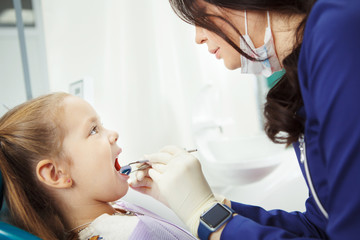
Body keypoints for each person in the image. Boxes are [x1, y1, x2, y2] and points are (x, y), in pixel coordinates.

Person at [129, 0, 360, 239]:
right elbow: (320, 225)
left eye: (200, 15)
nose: (197, 38)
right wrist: (209, 204)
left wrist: (206, 216)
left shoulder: (338, 32)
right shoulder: (308, 67)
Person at [0, 92, 197, 240]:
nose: (113, 133)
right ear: (56, 174)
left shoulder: (117, 210)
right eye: (93, 130)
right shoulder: (129, 234)